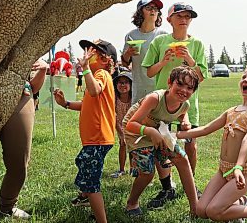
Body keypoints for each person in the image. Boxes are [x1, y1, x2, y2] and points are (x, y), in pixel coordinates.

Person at [176, 66, 247, 223]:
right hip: (224, 170)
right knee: (201, 210)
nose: (246, 80)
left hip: (243, 172)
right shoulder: (231, 111)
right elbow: (206, 129)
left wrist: (239, 167)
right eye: (244, 77)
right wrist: (176, 135)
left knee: (214, 212)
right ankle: (239, 203)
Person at [142, 2, 208, 208]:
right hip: (162, 104)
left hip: (187, 105)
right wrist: (163, 61)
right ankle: (167, 187)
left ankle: (191, 183)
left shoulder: (196, 44)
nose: (184, 19)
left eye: (188, 16)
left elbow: (201, 76)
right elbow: (149, 72)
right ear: (169, 19)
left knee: (191, 145)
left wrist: (189, 59)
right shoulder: (160, 41)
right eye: (179, 15)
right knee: (162, 145)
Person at [0, 59, 48, 221]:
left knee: (19, 163)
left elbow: (33, 87)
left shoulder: (31, 43)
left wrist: (43, 70)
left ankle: (8, 205)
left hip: (21, 97)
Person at [53, 39, 117, 223]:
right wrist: (65, 103)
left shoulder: (102, 74)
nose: (87, 54)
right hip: (95, 139)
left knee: (91, 182)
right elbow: (86, 104)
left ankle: (100, 218)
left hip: (98, 138)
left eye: (92, 51)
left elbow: (95, 91)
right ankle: (84, 197)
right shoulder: (96, 75)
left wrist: (86, 68)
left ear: (106, 59)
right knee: (83, 162)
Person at [122, 66, 199, 217]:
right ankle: (132, 203)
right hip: (137, 131)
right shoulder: (155, 98)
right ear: (170, 82)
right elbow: (131, 124)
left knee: (182, 159)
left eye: (190, 88)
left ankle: (195, 207)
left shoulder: (185, 104)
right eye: (180, 84)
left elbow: (183, 113)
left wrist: (185, 121)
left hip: (159, 131)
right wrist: (150, 131)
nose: (184, 90)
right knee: (147, 173)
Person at [120, 0, 167, 104]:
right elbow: (125, 63)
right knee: (138, 120)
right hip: (139, 88)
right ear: (140, 13)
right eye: (149, 8)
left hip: (159, 88)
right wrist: (128, 54)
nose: (153, 11)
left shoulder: (163, 35)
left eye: (155, 9)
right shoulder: (131, 36)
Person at [110, 69, 133, 178]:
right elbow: (113, 117)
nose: (123, 85)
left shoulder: (133, 98)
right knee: (123, 144)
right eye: (120, 82)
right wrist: (121, 132)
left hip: (132, 125)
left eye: (126, 82)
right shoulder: (114, 99)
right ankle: (122, 169)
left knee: (133, 146)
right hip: (119, 125)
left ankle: (133, 169)